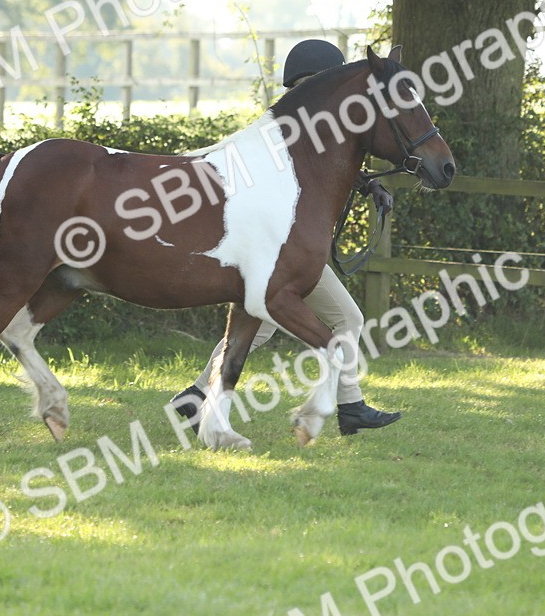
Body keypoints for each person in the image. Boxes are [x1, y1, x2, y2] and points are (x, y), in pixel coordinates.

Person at [171, 39, 402, 436]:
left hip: (281, 249)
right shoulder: (294, 127)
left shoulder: (297, 126)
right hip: (279, 250)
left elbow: (321, 167)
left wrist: (368, 185)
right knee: (340, 318)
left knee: (266, 325)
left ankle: (197, 396)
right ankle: (350, 406)